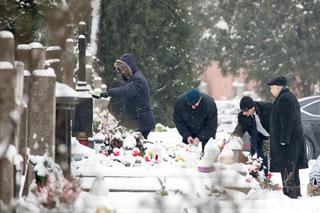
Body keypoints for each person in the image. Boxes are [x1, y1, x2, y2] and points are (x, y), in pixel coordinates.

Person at [92, 53, 155, 139]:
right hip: (138, 120)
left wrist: (107, 93)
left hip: (142, 122)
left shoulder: (137, 79)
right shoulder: (132, 78)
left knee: (134, 147)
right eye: (118, 71)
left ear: (128, 67)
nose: (120, 73)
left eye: (121, 70)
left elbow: (125, 91)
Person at [267, 75, 308, 199]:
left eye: (272, 88)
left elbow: (287, 121)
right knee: (292, 168)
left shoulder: (284, 99)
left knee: (287, 168)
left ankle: (290, 195)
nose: (270, 90)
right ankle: (295, 193)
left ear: (278, 87)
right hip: (292, 142)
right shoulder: (287, 97)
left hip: (288, 144)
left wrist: (284, 140)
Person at [234, 96, 272, 176]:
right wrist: (232, 140)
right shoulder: (243, 116)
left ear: (253, 107)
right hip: (260, 138)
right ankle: (263, 179)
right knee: (260, 161)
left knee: (277, 161)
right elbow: (239, 129)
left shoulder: (267, 107)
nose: (244, 113)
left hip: (273, 136)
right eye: (242, 110)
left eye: (246, 110)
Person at [173, 88, 218, 153]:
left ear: (200, 99)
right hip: (188, 129)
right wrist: (187, 135)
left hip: (207, 132)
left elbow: (211, 125)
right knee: (187, 153)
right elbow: (178, 121)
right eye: (190, 105)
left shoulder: (209, 104)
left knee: (208, 153)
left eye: (195, 105)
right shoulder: (180, 102)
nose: (193, 107)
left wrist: (199, 138)